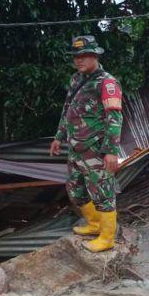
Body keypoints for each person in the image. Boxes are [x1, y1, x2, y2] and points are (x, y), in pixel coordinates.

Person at [50, 35, 123, 253]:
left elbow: (115, 117)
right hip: (76, 147)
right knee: (75, 190)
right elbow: (67, 110)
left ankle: (107, 238)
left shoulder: (107, 83)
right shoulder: (76, 79)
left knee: (103, 193)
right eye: (76, 56)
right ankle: (94, 224)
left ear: (95, 56)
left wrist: (111, 151)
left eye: (84, 55)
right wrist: (58, 137)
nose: (79, 60)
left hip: (95, 149)